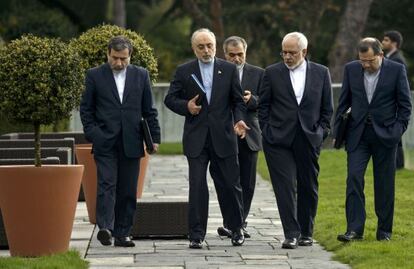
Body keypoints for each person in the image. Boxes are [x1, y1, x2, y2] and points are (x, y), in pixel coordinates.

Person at [164, 28, 249, 249]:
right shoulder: (184, 71)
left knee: (231, 185)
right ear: (194, 49)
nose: (206, 50)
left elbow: (238, 101)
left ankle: (236, 228)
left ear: (215, 45)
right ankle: (196, 235)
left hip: (224, 136)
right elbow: (170, 99)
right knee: (197, 186)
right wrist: (187, 106)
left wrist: (239, 120)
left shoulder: (228, 69)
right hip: (197, 139)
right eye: (201, 46)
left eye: (209, 45)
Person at [80, 36, 160, 247]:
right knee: (106, 184)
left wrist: (155, 137)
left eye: (123, 59)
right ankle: (105, 228)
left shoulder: (141, 75)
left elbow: (149, 110)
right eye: (115, 58)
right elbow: (86, 109)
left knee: (127, 189)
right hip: (104, 141)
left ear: (129, 56)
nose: (118, 63)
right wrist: (93, 133)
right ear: (108, 54)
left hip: (132, 141)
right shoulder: (94, 75)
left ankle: (123, 233)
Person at [258, 32, 333, 249]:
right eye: (284, 52)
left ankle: (306, 233)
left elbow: (327, 108)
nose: (287, 56)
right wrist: (267, 130)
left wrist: (321, 132)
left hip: (309, 138)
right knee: (285, 187)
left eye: (292, 52)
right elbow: (263, 106)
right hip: (277, 140)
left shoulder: (321, 72)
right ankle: (291, 233)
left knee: (308, 186)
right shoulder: (272, 72)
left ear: (304, 52)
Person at [335, 37, 411, 242]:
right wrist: (338, 130)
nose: (365, 65)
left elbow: (405, 106)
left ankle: (384, 231)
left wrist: (397, 130)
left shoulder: (396, 70)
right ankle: (354, 230)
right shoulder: (351, 69)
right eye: (362, 60)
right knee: (354, 178)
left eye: (370, 60)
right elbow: (343, 102)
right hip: (357, 135)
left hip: (386, 135)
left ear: (380, 55)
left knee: (384, 183)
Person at [216, 36, 264, 239]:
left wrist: (251, 99)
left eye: (240, 55)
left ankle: (239, 223)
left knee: (248, 182)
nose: (236, 59)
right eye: (232, 55)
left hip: (250, 135)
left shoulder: (259, 74)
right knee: (227, 181)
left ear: (246, 53)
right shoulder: (217, 72)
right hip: (224, 133)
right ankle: (231, 223)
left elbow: (268, 100)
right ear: (225, 54)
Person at [382, 30, 408, 169]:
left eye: (386, 40)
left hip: (394, 102)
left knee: (395, 134)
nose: (383, 42)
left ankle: (398, 163)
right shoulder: (390, 57)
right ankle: (398, 163)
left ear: (394, 43)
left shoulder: (397, 60)